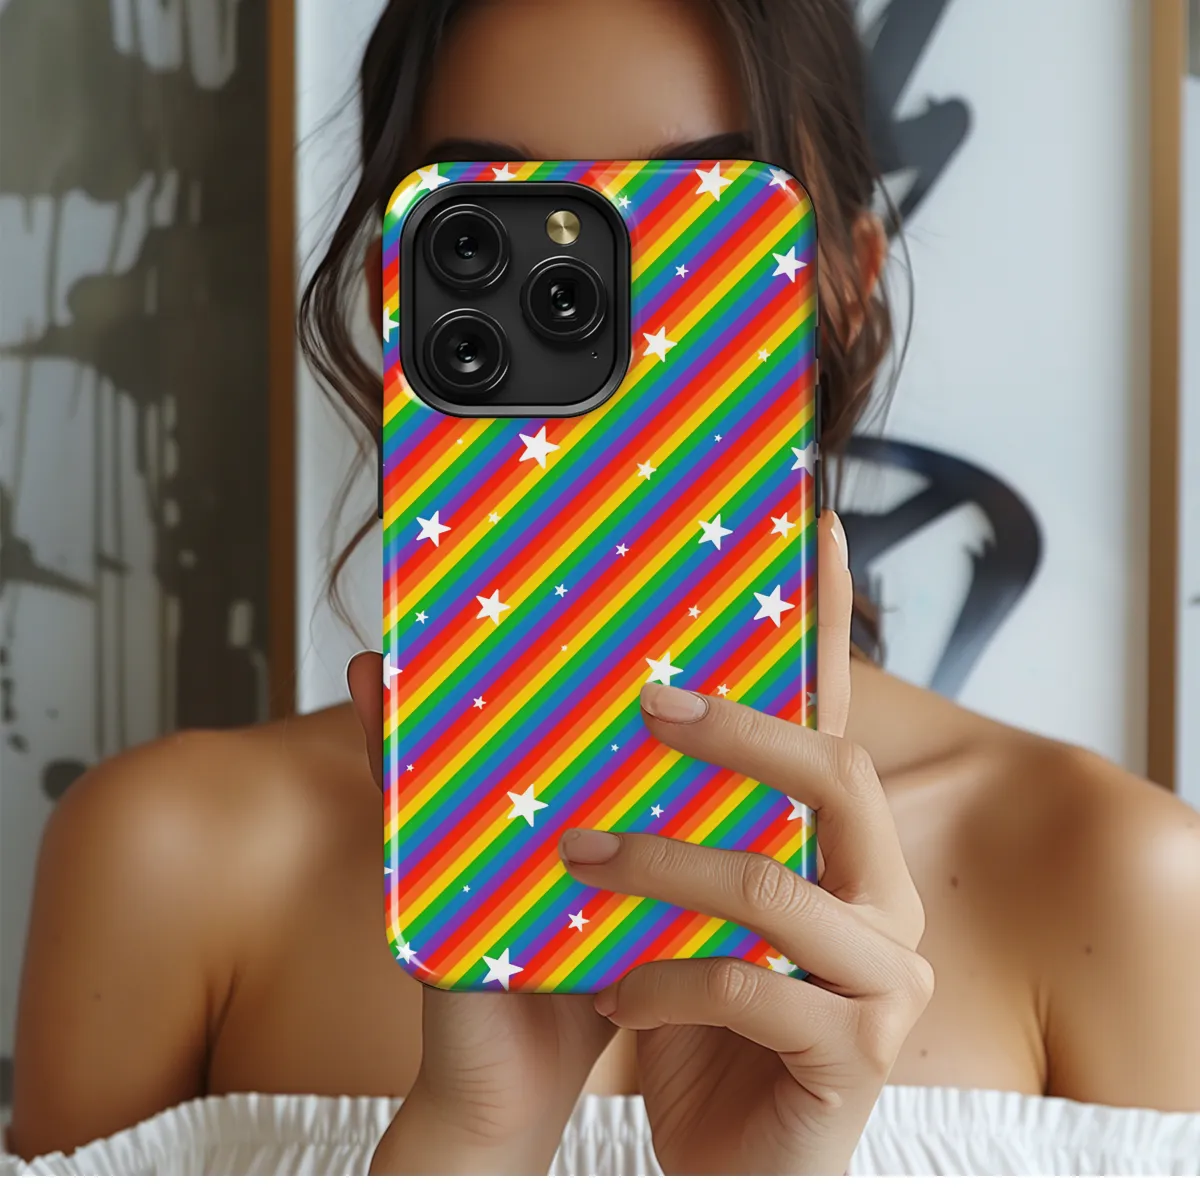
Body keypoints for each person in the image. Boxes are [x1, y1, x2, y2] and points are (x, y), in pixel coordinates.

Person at [6, 0, 1200, 1177]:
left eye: (696, 219)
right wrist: (474, 1143)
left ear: (846, 285)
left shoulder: (1117, 882)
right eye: (490, 228)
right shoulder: (168, 862)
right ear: (393, 293)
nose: (598, 299)